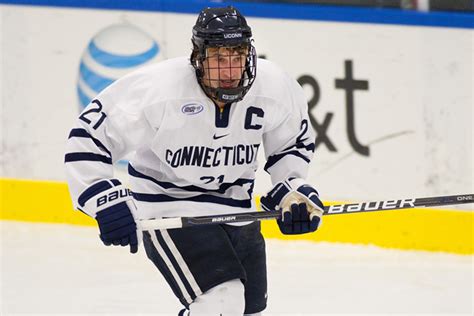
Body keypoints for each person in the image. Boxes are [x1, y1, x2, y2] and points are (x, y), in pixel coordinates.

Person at [65, 6, 324, 316]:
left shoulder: (274, 87)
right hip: (167, 204)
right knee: (222, 301)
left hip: (236, 207)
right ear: (198, 58)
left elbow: (290, 145)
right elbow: (88, 134)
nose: (230, 72)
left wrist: (292, 189)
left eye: (238, 56)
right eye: (218, 58)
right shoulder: (159, 89)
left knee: (247, 311)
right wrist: (104, 199)